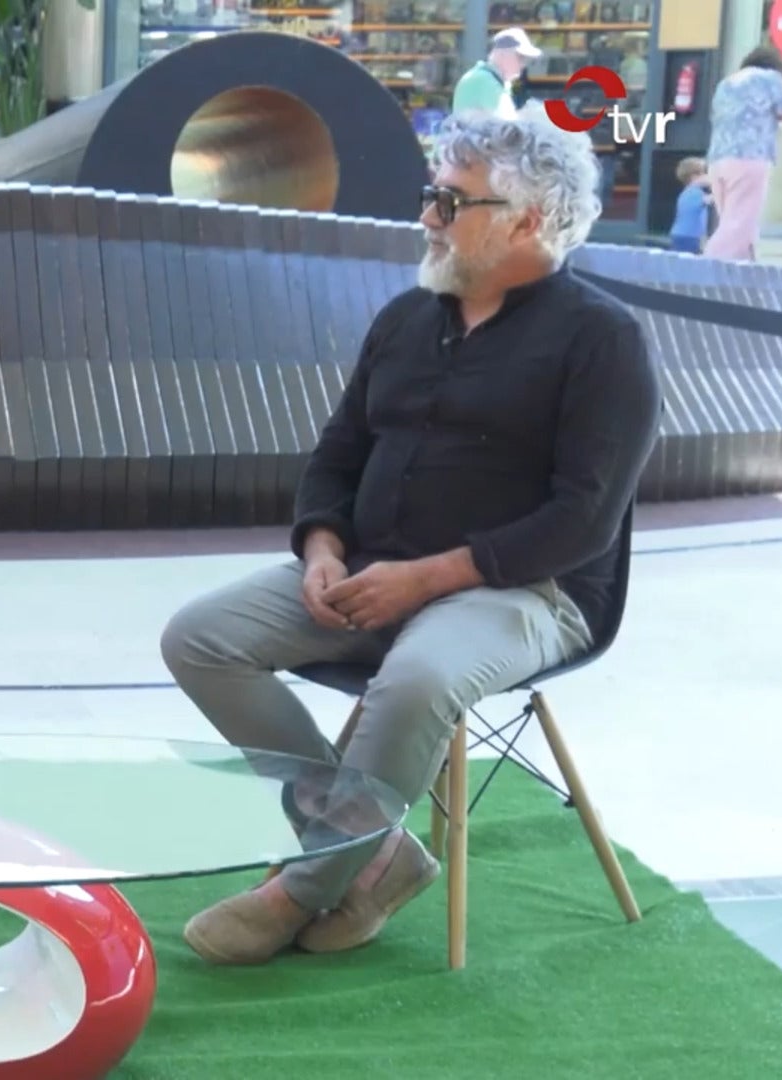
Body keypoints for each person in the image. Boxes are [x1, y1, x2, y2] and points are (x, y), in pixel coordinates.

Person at [159, 112, 661, 966]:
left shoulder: (603, 340)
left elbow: (583, 520)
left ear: (529, 219)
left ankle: (304, 887)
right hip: (371, 571)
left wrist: (426, 579)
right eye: (431, 195)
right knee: (199, 638)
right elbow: (338, 455)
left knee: (418, 678)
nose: (428, 216)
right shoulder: (406, 318)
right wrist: (322, 549)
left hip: (528, 590)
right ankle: (378, 849)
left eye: (451, 201)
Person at [705, 46, 782, 262]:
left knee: (732, 221)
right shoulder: (770, 79)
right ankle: (707, 266)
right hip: (750, 156)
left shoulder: (725, 84)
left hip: (718, 158)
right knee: (739, 225)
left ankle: (746, 269)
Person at [451, 27, 542, 119]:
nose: (523, 64)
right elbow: (509, 121)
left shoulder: (485, 77)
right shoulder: (484, 80)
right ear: (502, 55)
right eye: (520, 57)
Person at [670, 156, 711, 254]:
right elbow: (712, 199)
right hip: (688, 237)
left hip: (684, 235)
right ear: (694, 177)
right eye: (705, 173)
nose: (708, 176)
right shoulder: (694, 193)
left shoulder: (688, 192)